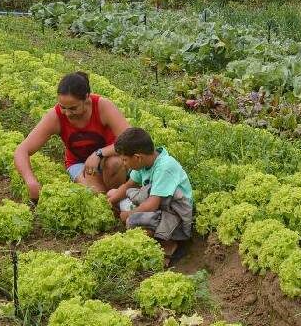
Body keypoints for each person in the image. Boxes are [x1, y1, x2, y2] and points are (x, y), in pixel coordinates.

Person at [13, 71, 132, 201]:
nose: (67, 113)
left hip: (108, 158)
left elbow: (130, 140)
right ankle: (114, 200)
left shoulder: (102, 106)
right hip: (79, 163)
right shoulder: (55, 116)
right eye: (63, 107)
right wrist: (30, 180)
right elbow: (22, 150)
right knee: (96, 195)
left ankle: (117, 199)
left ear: (86, 97)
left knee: (115, 164)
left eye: (73, 108)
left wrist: (98, 154)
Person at [106, 127, 194, 265]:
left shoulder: (165, 167)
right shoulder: (144, 163)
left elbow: (152, 205)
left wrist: (128, 214)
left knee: (132, 221)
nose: (123, 164)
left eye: (124, 160)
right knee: (112, 193)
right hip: (156, 205)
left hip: (175, 214)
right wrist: (110, 201)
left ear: (137, 157)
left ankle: (170, 244)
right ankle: (150, 229)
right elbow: (128, 185)